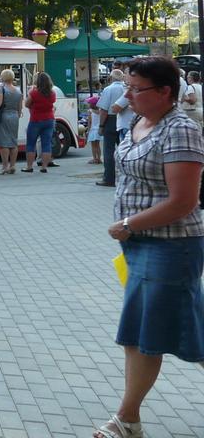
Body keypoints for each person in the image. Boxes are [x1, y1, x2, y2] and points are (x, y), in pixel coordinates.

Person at [95, 56, 204, 438]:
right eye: (128, 86)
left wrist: (128, 223)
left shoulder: (180, 130)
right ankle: (129, 419)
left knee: (145, 334)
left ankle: (126, 420)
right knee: (160, 330)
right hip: (139, 246)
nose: (127, 95)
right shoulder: (140, 122)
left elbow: (184, 201)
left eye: (136, 89)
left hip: (171, 246)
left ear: (164, 92)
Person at [98, 69, 128, 187]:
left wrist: (101, 126)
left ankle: (109, 178)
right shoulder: (126, 88)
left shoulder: (108, 89)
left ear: (111, 78)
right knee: (124, 150)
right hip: (124, 120)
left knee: (109, 150)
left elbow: (104, 110)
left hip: (110, 120)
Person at [22, 72, 56, 173]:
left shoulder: (33, 92)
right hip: (49, 120)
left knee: (31, 144)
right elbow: (51, 103)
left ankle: (29, 167)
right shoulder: (52, 93)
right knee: (46, 144)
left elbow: (27, 104)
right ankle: (44, 167)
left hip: (35, 120)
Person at [0, 68, 23, 174]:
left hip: (3, 116)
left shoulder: (2, 89)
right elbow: (20, 108)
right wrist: (16, 115)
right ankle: (13, 165)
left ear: (3, 77)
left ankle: (5, 167)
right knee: (13, 142)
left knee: (4, 143)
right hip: (14, 116)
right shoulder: (18, 90)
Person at [86, 96, 103, 164]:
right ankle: (99, 158)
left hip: (92, 130)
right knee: (98, 145)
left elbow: (90, 122)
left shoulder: (90, 111)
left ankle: (94, 159)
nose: (88, 104)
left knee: (93, 145)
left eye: (89, 103)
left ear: (92, 104)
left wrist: (88, 131)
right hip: (98, 129)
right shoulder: (100, 111)